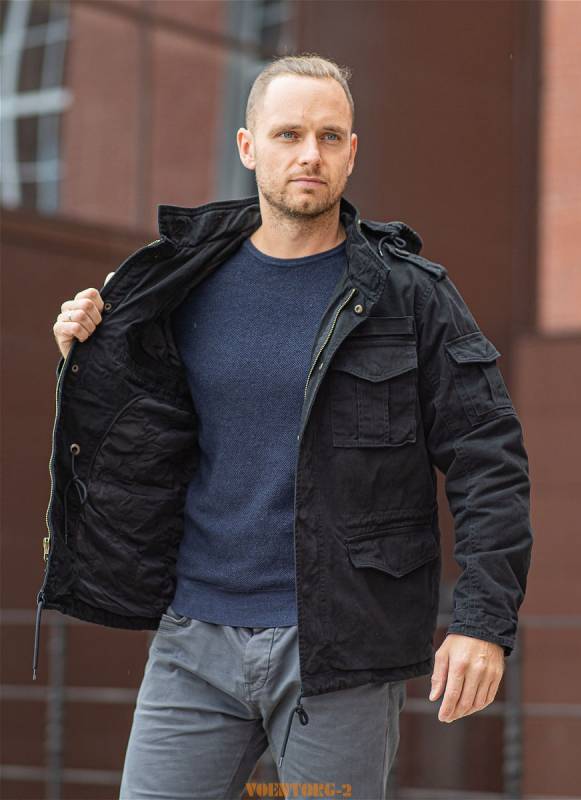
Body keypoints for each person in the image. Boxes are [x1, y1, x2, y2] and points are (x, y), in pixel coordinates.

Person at [44, 54, 533, 799]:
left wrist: (482, 623)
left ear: (352, 152)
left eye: (330, 137)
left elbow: (489, 460)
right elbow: (136, 431)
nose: (310, 154)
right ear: (248, 146)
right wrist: (86, 348)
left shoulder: (410, 297)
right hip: (193, 640)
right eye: (289, 134)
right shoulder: (179, 282)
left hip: (340, 648)